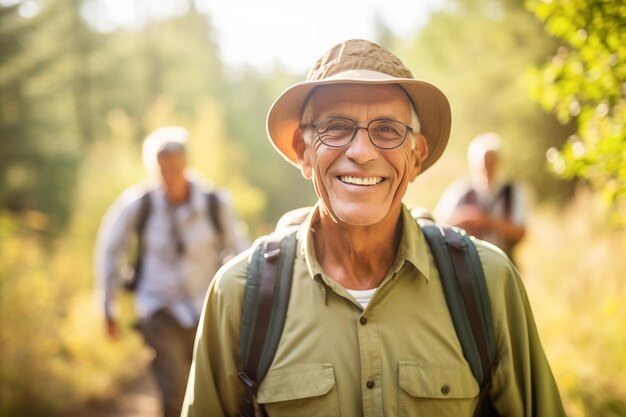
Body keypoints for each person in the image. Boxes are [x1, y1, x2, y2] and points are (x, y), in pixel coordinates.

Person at [181, 39, 566, 416]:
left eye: (386, 130)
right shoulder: (237, 296)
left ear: (415, 156)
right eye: (336, 127)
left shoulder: (488, 283)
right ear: (303, 151)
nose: (362, 153)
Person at [94, 126, 248, 417]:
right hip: (158, 308)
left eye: (174, 168)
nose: (169, 176)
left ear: (186, 164)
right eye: (161, 169)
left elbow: (240, 252)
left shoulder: (215, 203)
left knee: (213, 389)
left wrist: (245, 303)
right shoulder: (138, 205)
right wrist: (107, 306)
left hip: (206, 308)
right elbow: (110, 251)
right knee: (173, 390)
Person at [434, 132, 527, 258]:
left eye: (490, 162)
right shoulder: (459, 191)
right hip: (467, 264)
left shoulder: (513, 192)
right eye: (483, 163)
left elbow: (520, 232)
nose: (486, 168)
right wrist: (464, 218)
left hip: (505, 261)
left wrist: (486, 222)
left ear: (498, 162)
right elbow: (438, 226)